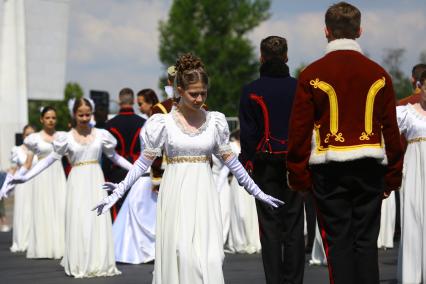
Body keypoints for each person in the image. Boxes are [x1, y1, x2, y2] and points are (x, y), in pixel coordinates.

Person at [93, 53, 283, 284]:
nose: (199, 98)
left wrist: (258, 192)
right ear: (179, 90)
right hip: (176, 194)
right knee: (184, 256)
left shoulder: (215, 121)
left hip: (205, 195)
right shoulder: (162, 123)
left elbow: (232, 161)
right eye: (194, 94)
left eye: (203, 93)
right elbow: (144, 161)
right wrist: (119, 190)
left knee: (212, 258)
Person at [286, 2, 404, 284]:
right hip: (370, 169)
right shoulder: (379, 74)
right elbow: (391, 129)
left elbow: (299, 131)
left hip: (329, 172)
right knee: (365, 244)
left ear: (326, 31)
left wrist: (299, 177)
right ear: (360, 31)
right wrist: (392, 176)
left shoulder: (311, 75)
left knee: (338, 244)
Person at [7, 98, 133, 278]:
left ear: (92, 114)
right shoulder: (65, 138)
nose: (84, 118)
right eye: (80, 114)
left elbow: (115, 157)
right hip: (77, 181)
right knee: (80, 220)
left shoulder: (100, 134)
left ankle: (99, 261)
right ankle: (81, 261)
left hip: (96, 179)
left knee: (97, 220)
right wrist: (26, 176)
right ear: (74, 114)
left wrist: (137, 170)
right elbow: (50, 160)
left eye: (87, 114)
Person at [239, 35, 304, 284]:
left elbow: (248, 136)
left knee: (269, 229)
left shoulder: (250, 91)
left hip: (264, 166)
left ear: (261, 57)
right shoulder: (300, 87)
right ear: (286, 57)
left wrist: (248, 166)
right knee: (295, 226)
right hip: (294, 164)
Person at [112, 88, 159, 264]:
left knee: (142, 206)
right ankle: (140, 248)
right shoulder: (146, 122)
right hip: (142, 169)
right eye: (138, 103)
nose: (139, 107)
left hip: (150, 170)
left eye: (142, 103)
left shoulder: (156, 122)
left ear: (151, 102)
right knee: (136, 205)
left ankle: (148, 249)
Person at [21, 106, 67, 259]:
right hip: (41, 175)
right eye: (47, 118)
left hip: (58, 173)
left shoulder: (62, 136)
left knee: (60, 207)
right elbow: (27, 163)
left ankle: (60, 246)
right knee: (43, 207)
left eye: (53, 117)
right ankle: (43, 247)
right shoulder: (34, 138)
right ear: (41, 119)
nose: (51, 120)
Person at [396, 70, 426, 284]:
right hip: (415, 168)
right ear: (420, 87)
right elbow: (385, 130)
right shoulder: (406, 112)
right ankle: (412, 275)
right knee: (414, 217)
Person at [104, 88, 146, 218]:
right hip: (138, 170)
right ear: (133, 101)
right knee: (137, 208)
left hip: (116, 171)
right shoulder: (143, 123)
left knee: (117, 207)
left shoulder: (110, 124)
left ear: (119, 101)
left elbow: (107, 155)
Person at [226, 128, 261, 254]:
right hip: (237, 181)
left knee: (250, 211)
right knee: (240, 212)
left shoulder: (251, 145)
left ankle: (251, 239)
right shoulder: (232, 145)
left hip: (250, 179)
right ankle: (240, 240)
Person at [9, 124, 37, 252]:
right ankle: (22, 240)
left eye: (32, 134)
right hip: (22, 184)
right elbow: (13, 169)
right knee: (23, 211)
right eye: (27, 134)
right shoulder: (16, 149)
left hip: (37, 183)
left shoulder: (38, 149)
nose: (29, 137)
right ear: (23, 135)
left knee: (35, 210)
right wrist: (8, 185)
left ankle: (35, 240)